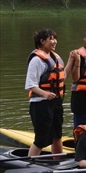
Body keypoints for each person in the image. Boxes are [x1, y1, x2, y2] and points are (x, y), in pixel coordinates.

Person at [25, 28, 66, 157]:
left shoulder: (55, 58)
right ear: (42, 41)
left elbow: (63, 76)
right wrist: (45, 94)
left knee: (57, 135)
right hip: (40, 104)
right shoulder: (37, 60)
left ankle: (58, 163)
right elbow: (30, 85)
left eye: (55, 38)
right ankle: (30, 165)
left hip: (56, 102)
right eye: (51, 39)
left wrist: (72, 61)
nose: (54, 41)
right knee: (41, 139)